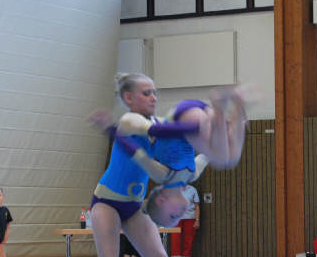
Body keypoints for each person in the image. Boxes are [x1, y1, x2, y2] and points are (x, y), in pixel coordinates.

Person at [84, 73, 204, 257]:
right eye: (146, 93)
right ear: (129, 98)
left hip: (134, 205)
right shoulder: (130, 121)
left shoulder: (158, 124)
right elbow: (159, 131)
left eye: (154, 92)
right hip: (107, 201)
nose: (153, 97)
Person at [93, 85, 248, 227]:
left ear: (161, 200)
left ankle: (220, 107)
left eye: (173, 216)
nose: (180, 215)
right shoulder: (191, 176)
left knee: (222, 159)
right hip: (198, 114)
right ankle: (238, 105)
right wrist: (231, 133)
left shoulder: (162, 176)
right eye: (178, 219)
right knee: (231, 157)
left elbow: (137, 153)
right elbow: (205, 157)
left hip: (182, 117)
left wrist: (111, 130)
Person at [170, 185, 200, 257]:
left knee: (188, 241)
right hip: (176, 219)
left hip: (190, 219)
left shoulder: (193, 189)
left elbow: (197, 206)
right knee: (175, 241)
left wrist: (197, 220)